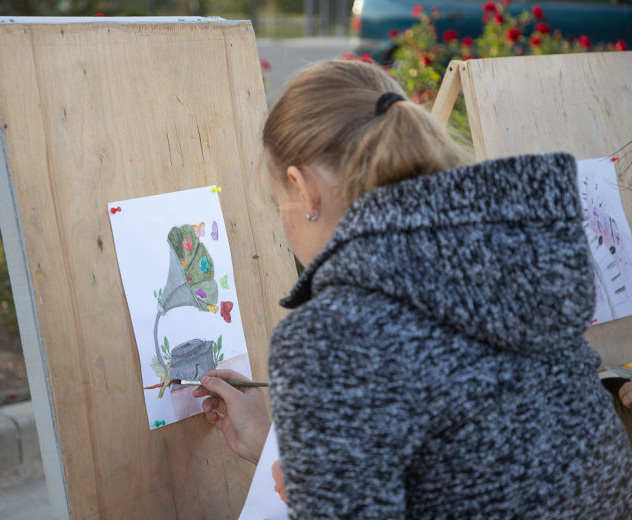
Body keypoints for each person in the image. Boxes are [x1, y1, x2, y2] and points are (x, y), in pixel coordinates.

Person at [192, 59, 632, 518]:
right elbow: (478, 459)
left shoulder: (334, 335)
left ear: (303, 190)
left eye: (275, 203)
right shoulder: (520, 261)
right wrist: (294, 454)